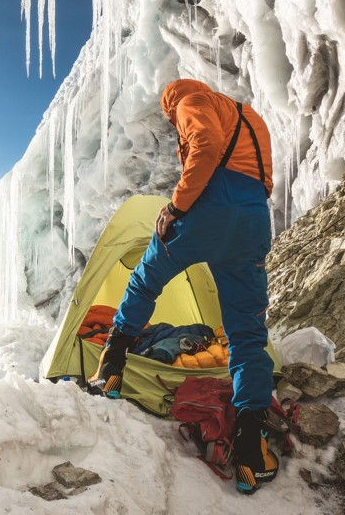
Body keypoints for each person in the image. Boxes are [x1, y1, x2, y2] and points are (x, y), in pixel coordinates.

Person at [88, 79, 278, 494]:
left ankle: (112, 368)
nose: (172, 122)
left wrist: (176, 205)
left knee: (145, 282)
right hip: (251, 220)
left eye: (168, 116)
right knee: (247, 332)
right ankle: (249, 446)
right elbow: (263, 179)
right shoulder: (251, 120)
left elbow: (206, 145)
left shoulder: (190, 99)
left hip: (208, 210)